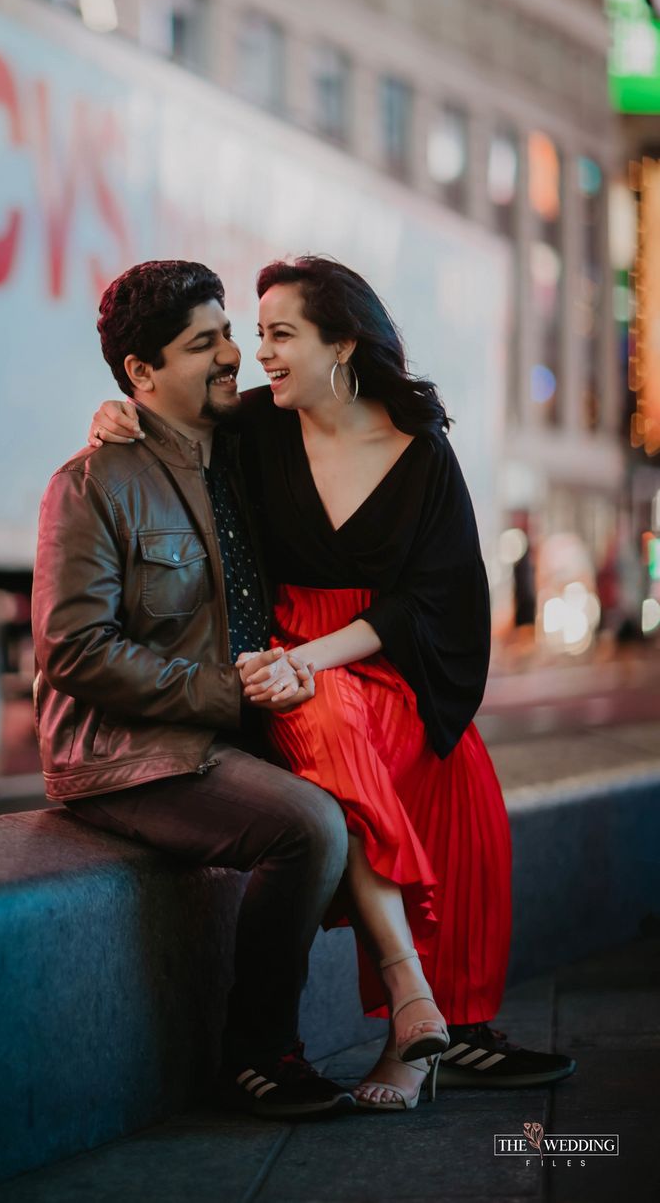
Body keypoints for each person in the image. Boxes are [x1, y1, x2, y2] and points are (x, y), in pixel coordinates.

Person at [89, 255, 575, 1110]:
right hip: (287, 667)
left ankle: (445, 1035)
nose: (256, 355)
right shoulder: (252, 429)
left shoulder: (421, 451)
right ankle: (410, 1000)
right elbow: (167, 417)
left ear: (341, 343)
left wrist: (322, 655)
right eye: (256, 333)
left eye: (279, 334)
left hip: (385, 657)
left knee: (463, 785)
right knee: (335, 721)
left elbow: (434, 597)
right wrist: (113, 413)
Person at [31, 259, 355, 1119]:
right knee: (310, 827)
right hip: (132, 755)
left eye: (229, 336)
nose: (231, 356)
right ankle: (256, 1056)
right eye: (202, 344)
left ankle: (434, 1026)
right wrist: (225, 695)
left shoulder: (248, 453)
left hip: (234, 733)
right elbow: (73, 648)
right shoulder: (92, 482)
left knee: (384, 787)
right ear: (140, 374)